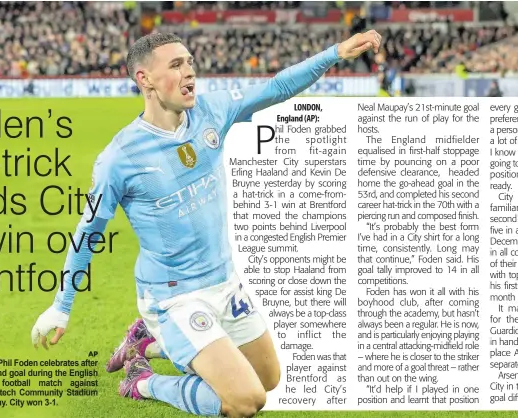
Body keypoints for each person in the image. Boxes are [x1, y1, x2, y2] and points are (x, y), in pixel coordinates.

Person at [31, 29, 382, 418]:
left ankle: (144, 343)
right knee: (246, 401)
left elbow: (277, 86)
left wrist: (335, 52)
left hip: (224, 282)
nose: (189, 73)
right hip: (173, 297)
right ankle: (142, 382)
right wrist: (60, 308)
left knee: (267, 378)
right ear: (144, 80)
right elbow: (87, 233)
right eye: (176, 65)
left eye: (191, 63)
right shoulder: (119, 158)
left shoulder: (211, 112)